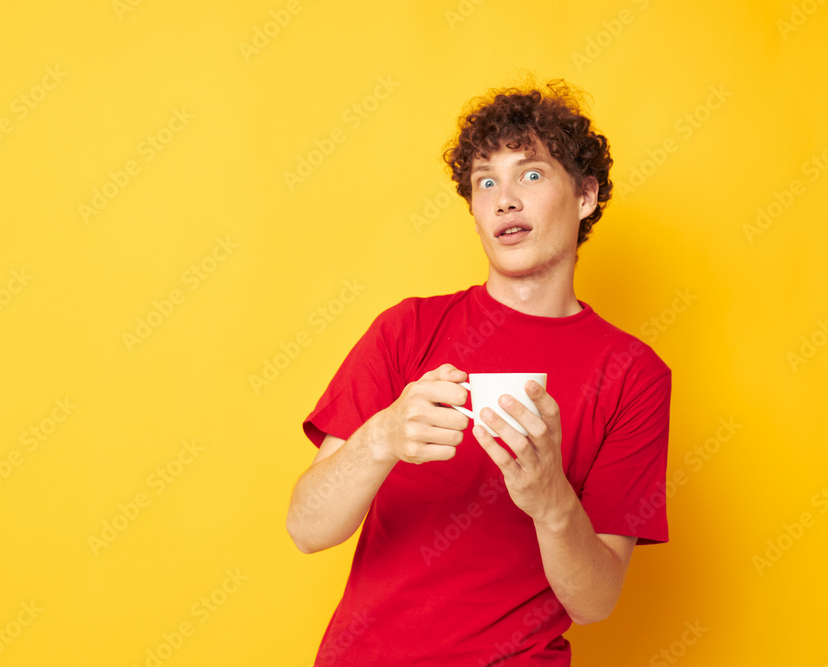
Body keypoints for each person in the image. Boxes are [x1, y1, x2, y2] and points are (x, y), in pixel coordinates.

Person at [286, 79, 672, 666]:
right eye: (485, 182)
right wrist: (383, 436)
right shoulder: (407, 330)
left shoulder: (634, 375)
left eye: (531, 174)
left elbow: (596, 601)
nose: (504, 200)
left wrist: (550, 502)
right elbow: (306, 528)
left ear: (586, 194)